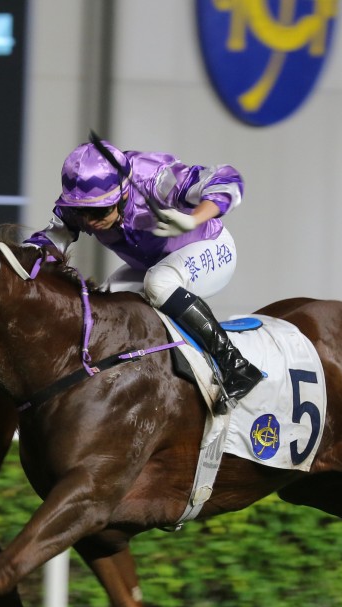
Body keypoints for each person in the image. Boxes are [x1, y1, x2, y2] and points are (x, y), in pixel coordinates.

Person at [24, 134, 262, 409]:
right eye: (81, 212)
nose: (89, 222)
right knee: (105, 302)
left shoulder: (156, 180)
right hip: (154, 266)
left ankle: (235, 364)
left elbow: (229, 179)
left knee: (158, 283)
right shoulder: (82, 205)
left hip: (209, 248)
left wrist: (193, 218)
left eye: (99, 212)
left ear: (124, 194)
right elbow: (48, 242)